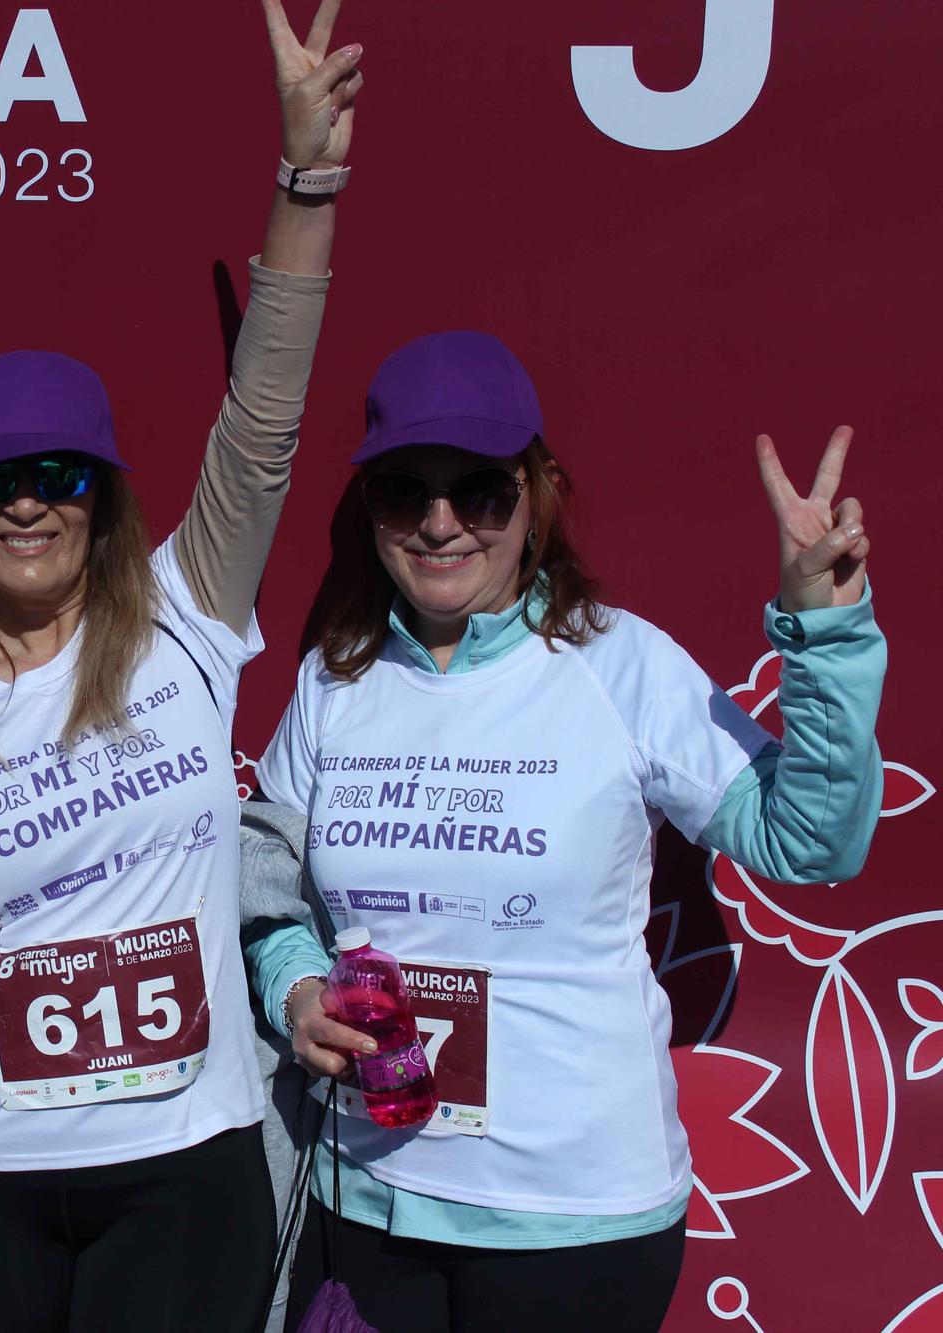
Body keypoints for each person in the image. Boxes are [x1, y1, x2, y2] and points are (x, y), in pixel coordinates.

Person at [0, 4, 362, 1328]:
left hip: (183, 1176)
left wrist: (308, 182)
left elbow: (266, 417)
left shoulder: (186, 612)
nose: (30, 502)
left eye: (63, 475)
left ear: (104, 497)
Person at [248, 328, 886, 1332]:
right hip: (364, 1204)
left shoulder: (619, 664)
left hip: (573, 1221)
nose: (441, 522)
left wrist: (828, 632)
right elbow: (266, 891)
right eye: (402, 491)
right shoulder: (335, 678)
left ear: (534, 494)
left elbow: (809, 840)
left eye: (480, 490)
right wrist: (291, 989)